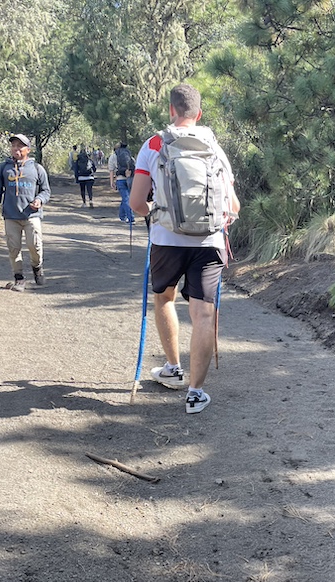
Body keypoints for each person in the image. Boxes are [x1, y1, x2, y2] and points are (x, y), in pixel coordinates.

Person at [130, 83, 239, 414]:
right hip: (209, 242)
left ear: (171, 110)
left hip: (167, 241)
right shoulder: (214, 148)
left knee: (165, 298)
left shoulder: (154, 144)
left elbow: (137, 203)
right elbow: (233, 206)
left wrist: (159, 214)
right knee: (203, 313)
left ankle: (173, 368)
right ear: (199, 114)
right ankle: (195, 393)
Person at [0, 134, 52, 292]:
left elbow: (46, 191)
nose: (16, 149)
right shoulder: (3, 168)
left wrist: (39, 200)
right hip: (10, 216)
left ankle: (37, 268)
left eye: (20, 146)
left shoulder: (37, 168)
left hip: (32, 215)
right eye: (13, 146)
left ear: (27, 150)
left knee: (34, 246)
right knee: (13, 248)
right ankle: (19, 278)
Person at [111, 141, 135, 224]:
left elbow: (111, 170)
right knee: (126, 198)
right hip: (129, 179)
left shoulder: (114, 156)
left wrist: (112, 182)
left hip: (120, 179)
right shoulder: (128, 154)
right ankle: (122, 216)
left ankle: (131, 218)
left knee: (126, 198)